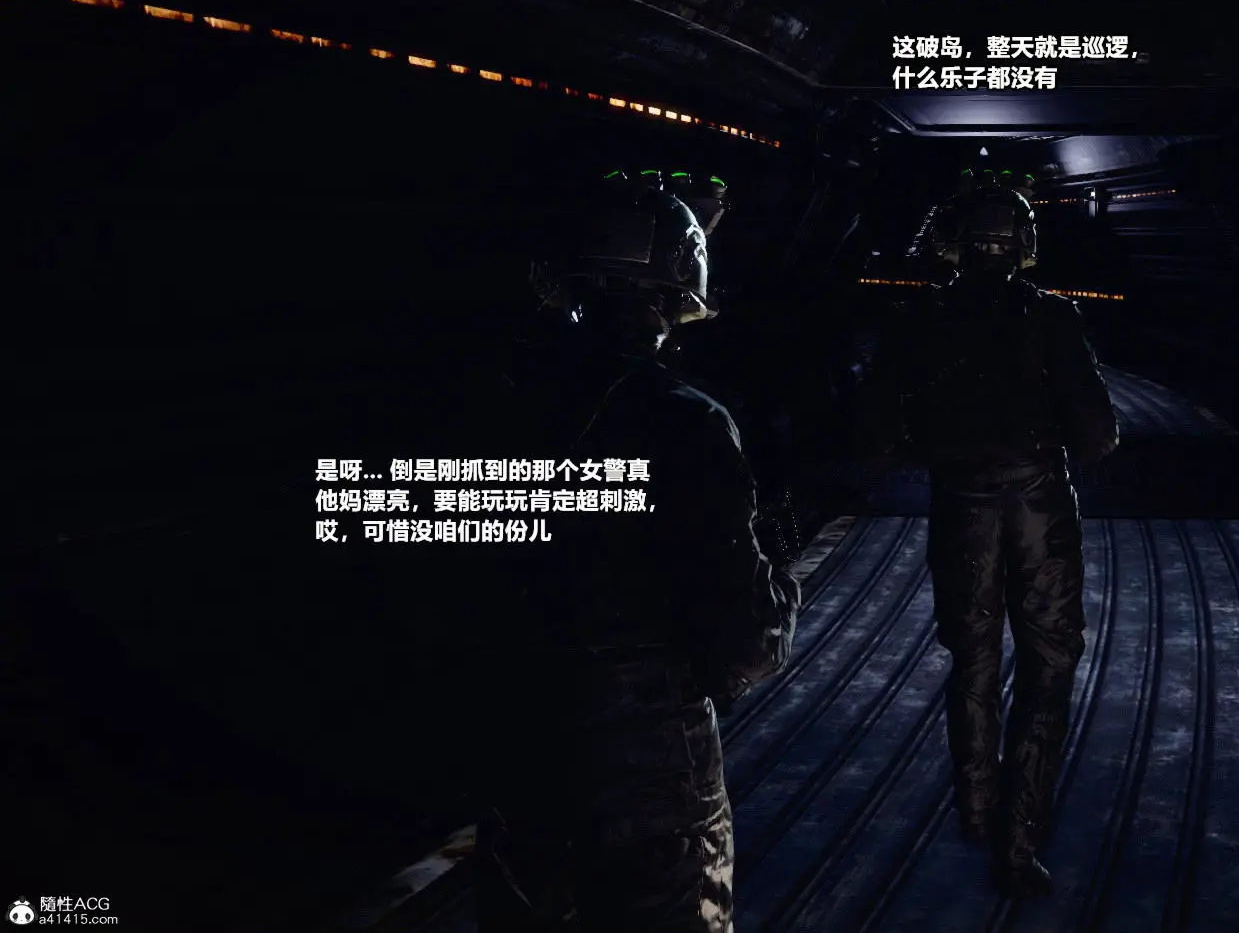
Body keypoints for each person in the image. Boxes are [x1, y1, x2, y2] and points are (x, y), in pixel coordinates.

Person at [471, 170, 800, 932]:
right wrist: (781, 590)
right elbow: (745, 640)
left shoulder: (491, 407)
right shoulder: (689, 422)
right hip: (652, 760)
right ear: (673, 296)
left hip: (519, 742)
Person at [860, 181, 1120, 898]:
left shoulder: (919, 318)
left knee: (972, 659)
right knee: (1049, 664)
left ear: (955, 240)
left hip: (961, 505)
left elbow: (875, 434)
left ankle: (975, 809)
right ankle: (1019, 840)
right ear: (1024, 244)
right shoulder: (1054, 317)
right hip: (1040, 506)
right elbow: (1098, 436)